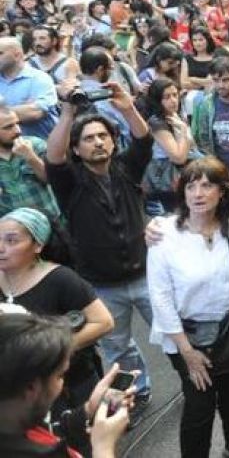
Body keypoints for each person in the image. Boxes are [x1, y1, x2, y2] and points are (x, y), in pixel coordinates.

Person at [44, 80, 155, 421]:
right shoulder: (70, 182)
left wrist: (127, 106)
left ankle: (192, 377)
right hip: (102, 286)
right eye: (89, 138)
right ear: (76, 149)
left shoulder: (126, 168)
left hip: (146, 275)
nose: (97, 142)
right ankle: (137, 394)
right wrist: (67, 112)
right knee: (118, 348)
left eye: (103, 136)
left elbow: (144, 140)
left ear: (113, 140)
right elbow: (54, 158)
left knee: (172, 331)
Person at [146, 156, 229, 458]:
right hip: (188, 336)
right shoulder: (164, 234)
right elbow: (160, 298)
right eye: (191, 186)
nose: (198, 194)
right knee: (200, 404)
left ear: (222, 192)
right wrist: (187, 352)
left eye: (207, 186)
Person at [0, 208, 114, 417]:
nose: (1, 247)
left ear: (38, 245)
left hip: (72, 385)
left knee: (79, 433)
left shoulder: (61, 279)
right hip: (19, 392)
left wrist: (49, 351)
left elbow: (103, 322)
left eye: (11, 240)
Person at [0, 313, 131, 458]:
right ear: (31, 388)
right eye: (60, 376)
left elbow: (53, 433)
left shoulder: (16, 423)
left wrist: (88, 410)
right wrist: (104, 447)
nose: (62, 383)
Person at [142, 77, 197, 216]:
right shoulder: (157, 122)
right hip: (166, 176)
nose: (173, 100)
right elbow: (178, 157)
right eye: (166, 97)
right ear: (157, 100)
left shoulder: (176, 116)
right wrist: (183, 130)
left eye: (175, 95)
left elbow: (192, 145)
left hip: (184, 170)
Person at [0, 104, 59, 217]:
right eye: (8, 127)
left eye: (17, 124)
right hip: (10, 224)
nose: (18, 130)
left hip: (48, 219)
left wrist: (30, 156)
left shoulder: (36, 144)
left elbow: (53, 180)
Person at [0, 37, 58, 139]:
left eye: (0, 53)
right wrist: (22, 109)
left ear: (17, 55)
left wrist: (4, 111)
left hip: (39, 144)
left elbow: (35, 112)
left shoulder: (39, 78)